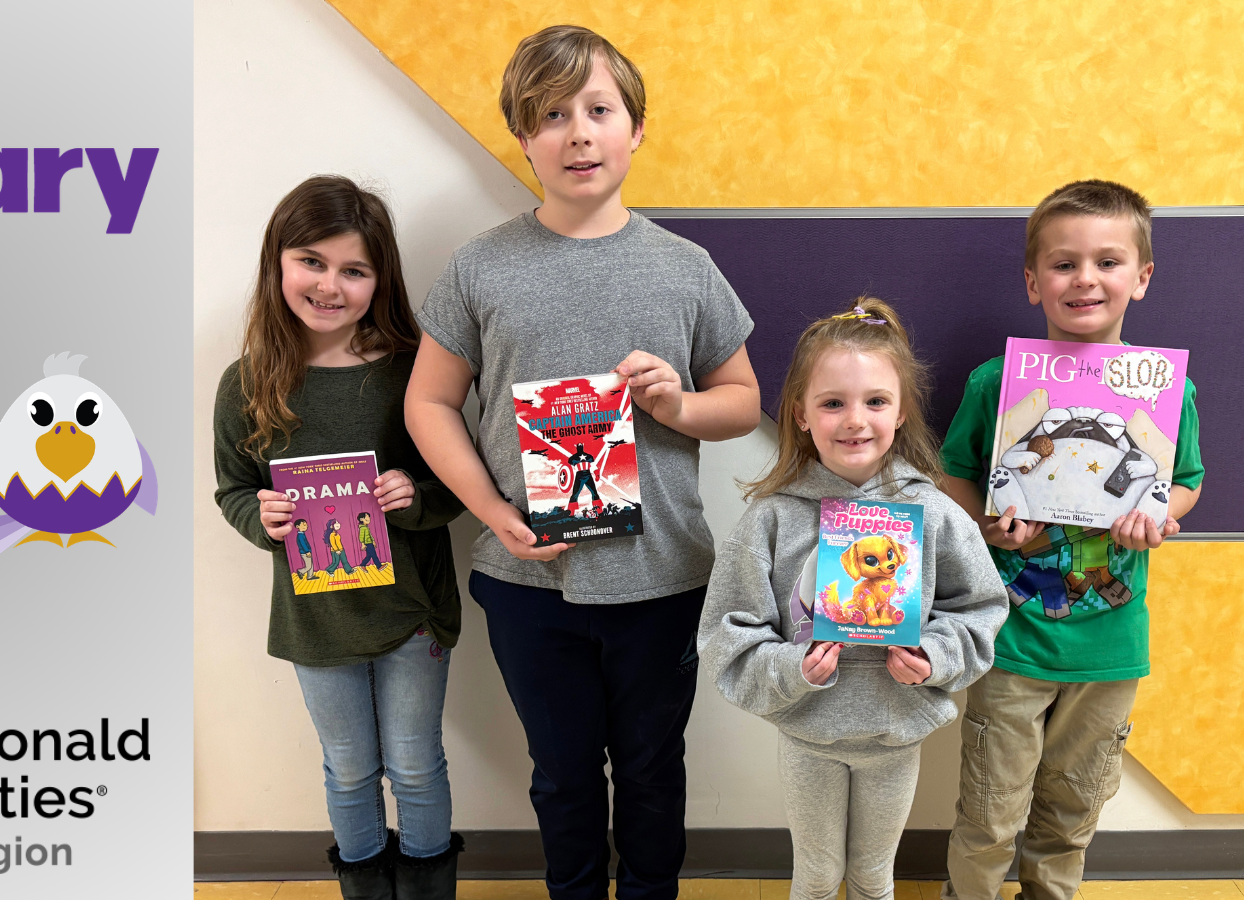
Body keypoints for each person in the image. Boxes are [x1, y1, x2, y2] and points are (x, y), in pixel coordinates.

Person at [405, 25, 761, 900]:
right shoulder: (480, 267)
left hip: (664, 576)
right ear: (523, 137)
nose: (578, 133)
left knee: (650, 770)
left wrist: (677, 404)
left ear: (635, 129)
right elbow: (428, 401)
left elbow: (745, 401)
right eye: (552, 115)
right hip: (528, 584)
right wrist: (491, 512)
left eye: (599, 110)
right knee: (561, 774)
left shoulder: (687, 268)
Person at [938, 180, 1204, 900]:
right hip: (1014, 638)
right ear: (1033, 282)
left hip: (1110, 647)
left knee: (1071, 816)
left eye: (1108, 262)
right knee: (990, 816)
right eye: (1063, 264)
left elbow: (1187, 479)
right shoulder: (996, 384)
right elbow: (954, 475)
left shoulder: (1166, 393)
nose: (1085, 278)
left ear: (1141, 277)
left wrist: (1158, 515)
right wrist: (991, 523)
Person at [698, 297, 1008, 900]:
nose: (854, 420)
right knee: (814, 878)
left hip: (896, 735)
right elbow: (727, 632)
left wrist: (936, 657)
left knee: (873, 879)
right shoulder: (771, 520)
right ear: (802, 415)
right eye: (833, 402)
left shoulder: (937, 515)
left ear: (899, 413)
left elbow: (980, 610)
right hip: (810, 735)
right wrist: (793, 667)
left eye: (875, 402)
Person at [213, 175, 467, 899]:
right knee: (349, 769)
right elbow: (231, 488)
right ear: (278, 265)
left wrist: (413, 495)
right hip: (315, 620)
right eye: (312, 263)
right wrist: (257, 518)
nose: (330, 285)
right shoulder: (247, 384)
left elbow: (461, 484)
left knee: (416, 766)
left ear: (379, 279)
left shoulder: (413, 372)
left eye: (353, 270)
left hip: (410, 612)